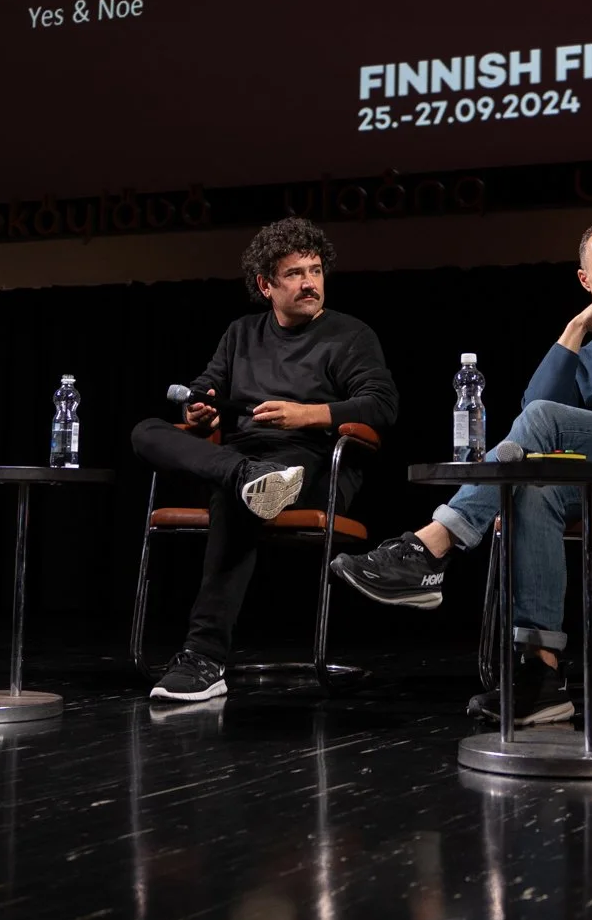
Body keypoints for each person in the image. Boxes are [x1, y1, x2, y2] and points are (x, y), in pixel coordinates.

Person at [332, 221, 592, 725]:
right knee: (529, 491)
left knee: (541, 422)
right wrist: (579, 328)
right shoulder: (586, 349)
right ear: (585, 281)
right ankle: (542, 678)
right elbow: (536, 405)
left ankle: (431, 546)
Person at [132, 217, 398, 704]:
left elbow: (382, 405)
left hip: (311, 464)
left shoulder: (350, 335)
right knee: (146, 432)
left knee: (236, 500)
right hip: (243, 459)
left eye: (315, 271)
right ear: (266, 285)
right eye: (295, 274)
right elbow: (204, 387)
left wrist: (307, 414)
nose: (309, 283)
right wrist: (198, 405)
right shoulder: (241, 334)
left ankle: (204, 658)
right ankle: (249, 478)